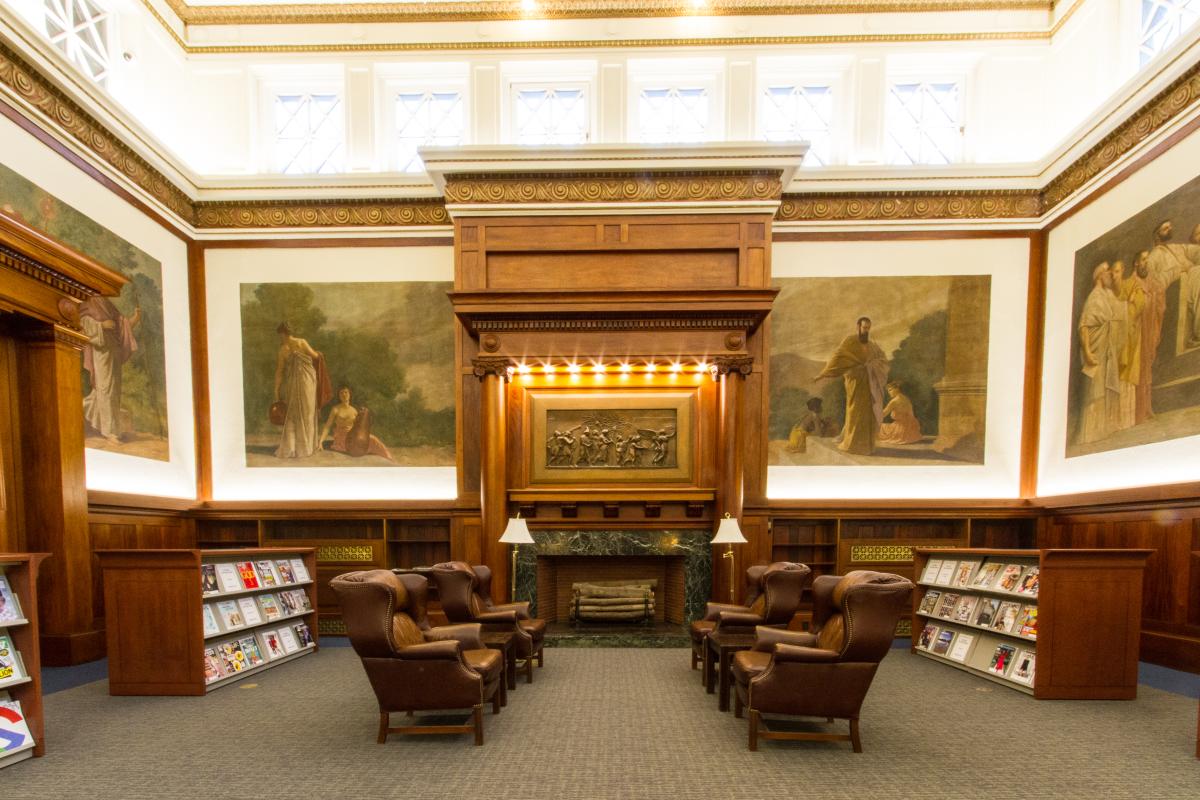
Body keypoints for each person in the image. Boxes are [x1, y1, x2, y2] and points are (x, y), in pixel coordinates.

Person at [815, 316, 889, 455]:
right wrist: (823, 374)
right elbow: (838, 357)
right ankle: (853, 445)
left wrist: (872, 365)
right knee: (855, 411)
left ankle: (867, 446)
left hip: (869, 382)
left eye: (868, 328)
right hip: (855, 381)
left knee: (868, 413)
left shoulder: (872, 345)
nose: (866, 331)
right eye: (864, 327)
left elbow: (882, 359)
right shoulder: (850, 341)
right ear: (858, 327)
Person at [79, 295, 141, 443]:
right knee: (105, 389)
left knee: (114, 390)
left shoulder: (106, 303)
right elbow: (82, 325)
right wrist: (101, 325)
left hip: (113, 351)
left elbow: (122, 326)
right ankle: (109, 431)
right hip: (101, 352)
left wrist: (135, 318)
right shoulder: (87, 302)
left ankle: (113, 429)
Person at [1077, 262, 1127, 444]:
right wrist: (1087, 352)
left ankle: (1104, 428)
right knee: (1095, 390)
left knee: (1105, 387)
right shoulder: (1094, 297)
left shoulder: (1106, 295)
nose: (1110, 275)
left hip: (1107, 351)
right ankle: (1091, 434)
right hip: (1097, 351)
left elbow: (1120, 311)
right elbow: (1084, 326)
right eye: (1107, 272)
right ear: (1099, 276)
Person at [273, 322, 331, 459]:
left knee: (297, 413)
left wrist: (276, 390)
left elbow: (279, 372)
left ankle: (295, 449)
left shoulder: (284, 350)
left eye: (281, 335)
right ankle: (303, 448)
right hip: (303, 381)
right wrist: (316, 354)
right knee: (303, 412)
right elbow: (316, 357)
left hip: (302, 381)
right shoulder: (300, 343)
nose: (280, 338)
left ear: (283, 334)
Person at [319, 386, 394, 462]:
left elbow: (360, 427)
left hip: (353, 435)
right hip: (342, 436)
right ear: (339, 396)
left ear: (350, 394)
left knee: (373, 439)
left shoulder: (354, 410)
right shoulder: (335, 409)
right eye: (341, 393)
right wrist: (321, 441)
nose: (344, 394)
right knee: (356, 443)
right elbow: (327, 426)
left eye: (346, 392)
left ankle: (389, 458)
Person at [1113, 260, 1145, 431]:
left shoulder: (1132, 285)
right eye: (1113, 272)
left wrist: (1128, 305)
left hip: (1129, 337)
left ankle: (1126, 421)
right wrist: (1125, 303)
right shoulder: (1112, 290)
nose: (1115, 275)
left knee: (1126, 376)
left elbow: (1139, 305)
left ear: (1123, 270)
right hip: (1116, 339)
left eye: (1117, 271)